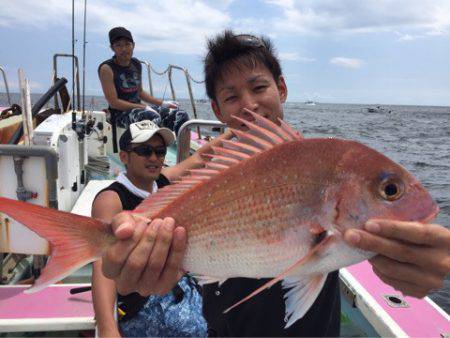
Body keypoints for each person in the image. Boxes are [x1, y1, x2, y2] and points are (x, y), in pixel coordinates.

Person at [100, 31, 450, 336]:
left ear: (281, 88)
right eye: (232, 97)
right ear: (217, 110)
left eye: (259, 87)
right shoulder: (204, 179)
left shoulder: (322, 166)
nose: (249, 105)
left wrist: (410, 263)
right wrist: (135, 281)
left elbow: (366, 244)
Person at [91, 120, 207, 337]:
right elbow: (102, 265)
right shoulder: (112, 199)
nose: (154, 158)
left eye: (160, 151)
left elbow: (200, 157)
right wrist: (107, 328)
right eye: (145, 150)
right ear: (124, 157)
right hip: (139, 299)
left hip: (178, 284)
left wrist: (238, 129)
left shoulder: (160, 183)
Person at [98, 26, 188, 152]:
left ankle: (183, 155)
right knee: (151, 117)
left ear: (133, 45)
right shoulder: (106, 68)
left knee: (180, 115)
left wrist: (163, 103)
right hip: (119, 114)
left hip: (138, 109)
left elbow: (139, 92)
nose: (124, 49)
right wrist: (143, 107)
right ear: (112, 48)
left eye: (127, 44)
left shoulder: (136, 64)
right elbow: (114, 102)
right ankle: (149, 155)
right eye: (118, 45)